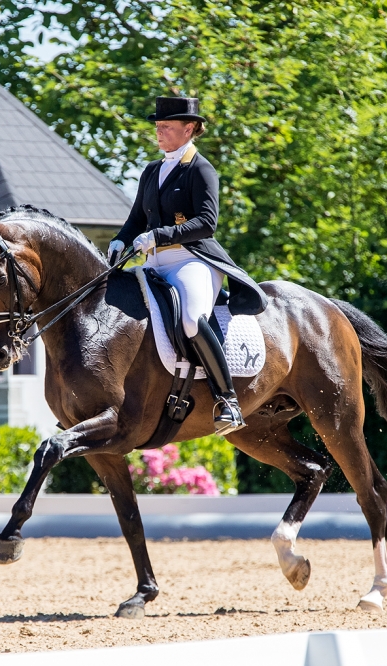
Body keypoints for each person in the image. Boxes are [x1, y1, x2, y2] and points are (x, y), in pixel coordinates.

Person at [109, 96, 268, 436]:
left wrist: (159, 235)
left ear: (190, 128)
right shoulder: (152, 171)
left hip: (191, 260)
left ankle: (227, 400)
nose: (158, 132)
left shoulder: (200, 169)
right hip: (153, 262)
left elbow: (207, 223)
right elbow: (136, 219)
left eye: (166, 126)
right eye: (157, 126)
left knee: (192, 320)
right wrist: (120, 240)